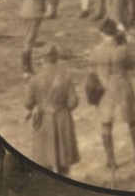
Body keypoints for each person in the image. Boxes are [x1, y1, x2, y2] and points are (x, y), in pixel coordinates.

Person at [92, 19, 135, 168]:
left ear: (102, 34)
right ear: (116, 34)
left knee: (106, 123)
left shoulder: (96, 50)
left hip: (105, 88)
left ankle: (111, 160)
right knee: (133, 120)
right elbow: (132, 65)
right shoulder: (122, 50)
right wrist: (125, 43)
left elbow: (94, 64)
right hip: (122, 86)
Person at [23, 44, 80, 175]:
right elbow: (72, 103)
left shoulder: (35, 79)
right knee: (64, 160)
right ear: (56, 58)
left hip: (44, 121)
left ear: (42, 59)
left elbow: (27, 103)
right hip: (62, 118)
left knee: (44, 160)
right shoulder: (66, 77)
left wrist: (38, 104)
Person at [18, 0, 48, 79]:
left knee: (28, 40)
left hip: (28, 10)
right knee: (29, 41)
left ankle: (28, 68)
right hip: (32, 11)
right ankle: (26, 69)